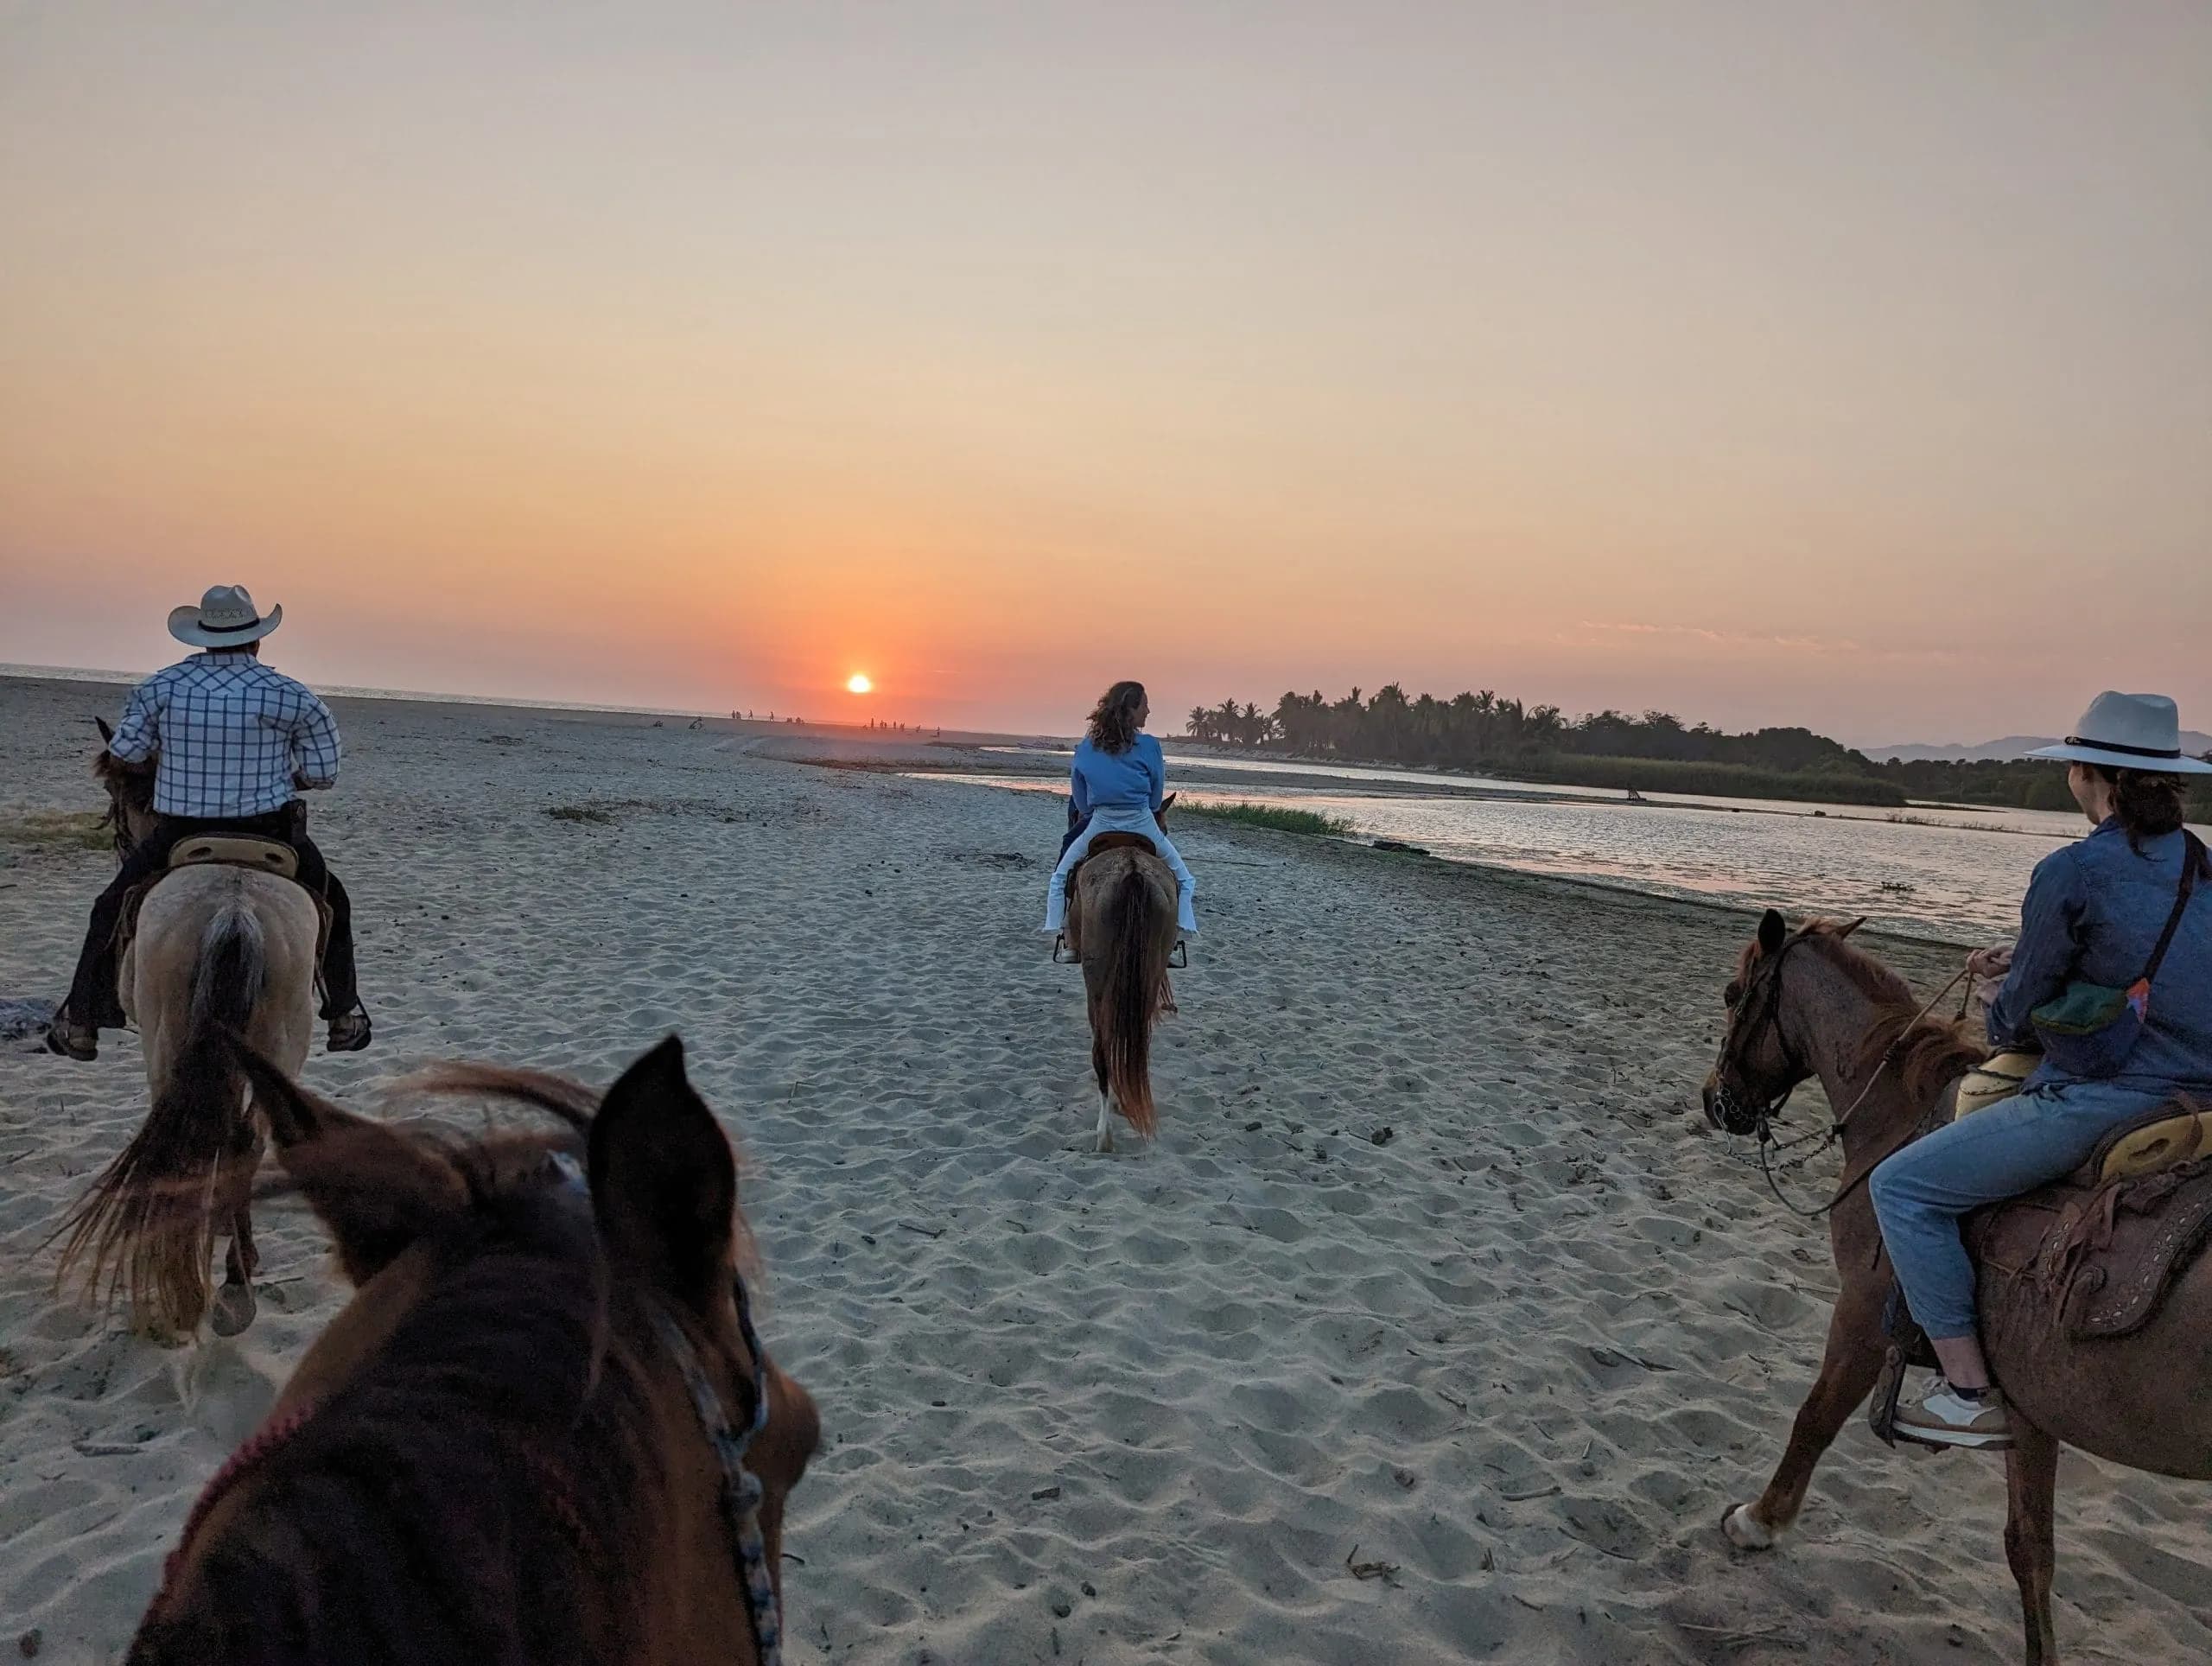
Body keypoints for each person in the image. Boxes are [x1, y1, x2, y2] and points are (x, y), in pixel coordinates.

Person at [1869, 691, 2212, 1449]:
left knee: (1901, 1188)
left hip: (2116, 1098)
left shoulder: (2072, 870)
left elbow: (2017, 1023)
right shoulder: (2203, 866)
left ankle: (1965, 1392)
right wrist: (2024, 958)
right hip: (2207, 1100)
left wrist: (2000, 988)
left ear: (2089, 775)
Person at [46, 586, 372, 1059]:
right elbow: (324, 775)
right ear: (256, 639)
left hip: (182, 832)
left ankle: (80, 1022)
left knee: (110, 908)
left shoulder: (160, 687)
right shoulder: (292, 694)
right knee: (333, 903)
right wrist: (280, 773)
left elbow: (126, 754)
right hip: (272, 832)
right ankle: (344, 1013)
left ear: (202, 637)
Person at [1042, 681, 1198, 937]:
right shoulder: (1150, 745)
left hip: (1100, 824)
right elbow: (1155, 796)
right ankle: (1178, 933)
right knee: (1185, 880)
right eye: (1145, 705)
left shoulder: (1086, 747)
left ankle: (1062, 932)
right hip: (1142, 823)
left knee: (1060, 879)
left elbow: (1080, 800)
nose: (1148, 711)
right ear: (1131, 710)